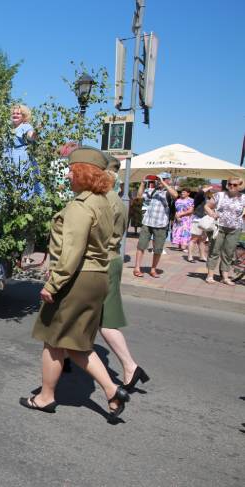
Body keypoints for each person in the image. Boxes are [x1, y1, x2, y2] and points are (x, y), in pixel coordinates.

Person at [20, 147, 130, 423]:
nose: (68, 174)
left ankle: (46, 397)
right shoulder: (105, 201)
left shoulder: (81, 206)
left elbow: (72, 251)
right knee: (77, 344)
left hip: (75, 278)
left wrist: (53, 284)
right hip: (96, 276)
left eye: (71, 170)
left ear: (83, 173)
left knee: (53, 340)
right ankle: (112, 390)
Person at [99, 153, 150, 392]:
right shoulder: (115, 198)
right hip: (110, 259)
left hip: (102, 262)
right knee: (92, 318)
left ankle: (130, 367)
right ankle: (67, 357)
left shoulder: (105, 200)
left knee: (104, 320)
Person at [0, 104, 40, 213]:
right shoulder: (9, 128)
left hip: (20, 161)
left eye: (18, 113)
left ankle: (20, 212)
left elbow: (31, 136)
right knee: (0, 185)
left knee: (21, 186)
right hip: (6, 161)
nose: (15, 115)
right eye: (14, 113)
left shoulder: (26, 126)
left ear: (23, 116)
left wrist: (36, 133)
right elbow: (3, 140)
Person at [133, 172, 178, 278]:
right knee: (141, 246)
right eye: (158, 179)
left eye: (162, 179)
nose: (159, 181)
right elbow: (139, 196)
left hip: (161, 224)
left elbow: (175, 195)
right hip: (147, 223)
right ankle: (137, 268)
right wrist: (143, 184)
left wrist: (164, 183)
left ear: (168, 180)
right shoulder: (152, 191)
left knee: (158, 249)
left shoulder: (168, 192)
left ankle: (153, 269)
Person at [204, 177, 245, 285]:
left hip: (235, 229)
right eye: (230, 184)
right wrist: (212, 214)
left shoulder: (243, 198)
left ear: (240, 186)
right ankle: (210, 275)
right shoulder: (220, 195)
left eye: (235, 185)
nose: (232, 186)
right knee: (214, 251)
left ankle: (225, 277)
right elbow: (207, 206)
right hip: (219, 227)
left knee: (228, 253)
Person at [187, 185, 213, 262]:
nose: (207, 191)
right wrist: (208, 187)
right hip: (198, 220)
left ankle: (202, 256)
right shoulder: (198, 197)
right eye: (206, 189)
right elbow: (200, 193)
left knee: (202, 240)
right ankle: (190, 256)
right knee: (194, 239)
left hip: (206, 221)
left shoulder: (208, 198)